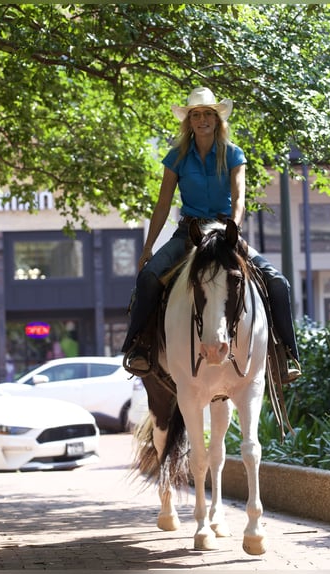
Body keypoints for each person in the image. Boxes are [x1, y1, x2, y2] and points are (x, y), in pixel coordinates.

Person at [122, 86, 301, 383]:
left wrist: (234, 226)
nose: (202, 119)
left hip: (224, 230)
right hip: (189, 233)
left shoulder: (233, 154)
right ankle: (139, 347)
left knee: (278, 282)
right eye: (196, 115)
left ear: (217, 120)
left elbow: (239, 196)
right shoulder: (176, 157)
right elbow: (163, 203)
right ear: (189, 121)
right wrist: (148, 247)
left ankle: (285, 355)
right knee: (149, 277)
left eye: (207, 114)